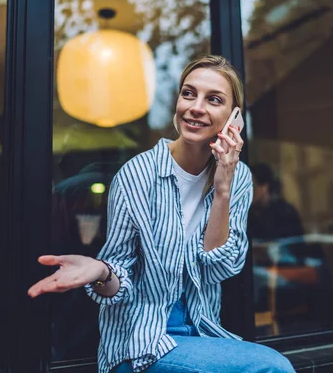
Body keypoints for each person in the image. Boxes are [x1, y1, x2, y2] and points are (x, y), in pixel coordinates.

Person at [27, 55, 295, 373]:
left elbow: (221, 269)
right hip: (140, 339)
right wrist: (100, 271)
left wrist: (222, 187)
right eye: (188, 93)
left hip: (200, 331)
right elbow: (118, 282)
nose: (196, 107)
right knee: (272, 368)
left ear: (233, 117)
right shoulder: (138, 174)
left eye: (214, 99)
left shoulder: (238, 178)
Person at [248, 163, 304, 241]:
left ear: (265, 187)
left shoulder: (285, 212)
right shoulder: (247, 213)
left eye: (252, 186)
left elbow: (295, 245)